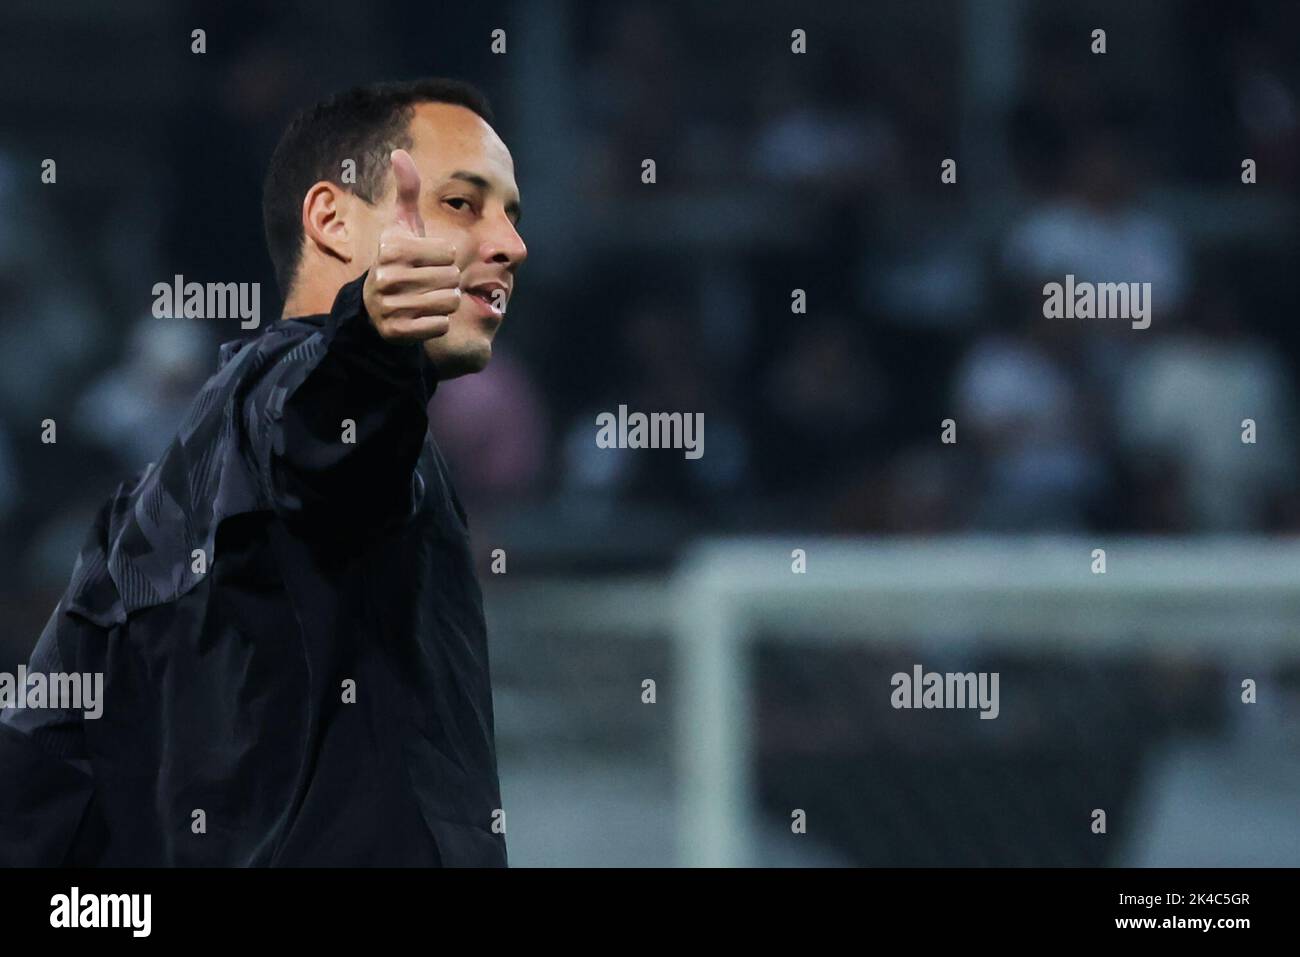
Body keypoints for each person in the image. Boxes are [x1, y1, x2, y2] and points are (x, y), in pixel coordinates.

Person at [0, 77, 528, 866]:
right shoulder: (310, 399)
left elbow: (35, 801)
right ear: (330, 219)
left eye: (512, 214)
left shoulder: (145, 515)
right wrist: (374, 350)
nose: (511, 244)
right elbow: (320, 432)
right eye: (462, 203)